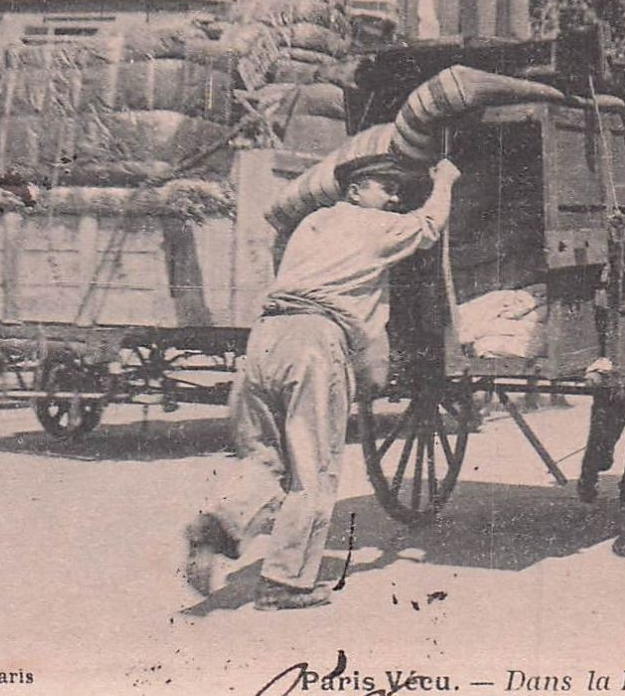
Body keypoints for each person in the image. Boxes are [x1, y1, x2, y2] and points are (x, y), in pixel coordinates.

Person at [184, 153, 461, 611]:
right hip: (314, 340)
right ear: (355, 191)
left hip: (266, 337)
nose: (393, 198)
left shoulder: (311, 223)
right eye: (384, 188)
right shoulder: (374, 226)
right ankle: (285, 582)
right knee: (314, 467)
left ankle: (219, 523)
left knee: (266, 457)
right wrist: (445, 179)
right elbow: (429, 225)